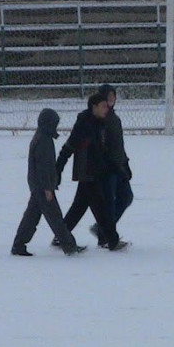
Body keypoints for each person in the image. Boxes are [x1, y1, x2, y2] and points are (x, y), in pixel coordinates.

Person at [55, 93, 127, 251]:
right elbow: (68, 147)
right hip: (87, 174)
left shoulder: (101, 123)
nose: (106, 109)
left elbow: (102, 151)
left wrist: (117, 167)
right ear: (93, 107)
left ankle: (60, 237)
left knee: (80, 207)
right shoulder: (84, 124)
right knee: (101, 209)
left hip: (96, 173)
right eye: (103, 106)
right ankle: (112, 241)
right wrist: (58, 169)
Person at [10, 108, 85, 257]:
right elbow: (44, 167)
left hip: (37, 186)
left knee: (31, 218)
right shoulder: (44, 141)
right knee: (55, 218)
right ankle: (69, 246)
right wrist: (48, 188)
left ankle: (18, 245)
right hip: (42, 187)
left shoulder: (41, 137)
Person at [95, 83, 134, 234]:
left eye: (113, 96)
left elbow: (119, 146)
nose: (111, 99)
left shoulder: (114, 119)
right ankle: (105, 235)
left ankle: (103, 229)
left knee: (126, 197)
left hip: (119, 166)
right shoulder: (100, 120)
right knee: (108, 202)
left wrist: (125, 164)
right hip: (108, 168)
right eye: (108, 96)